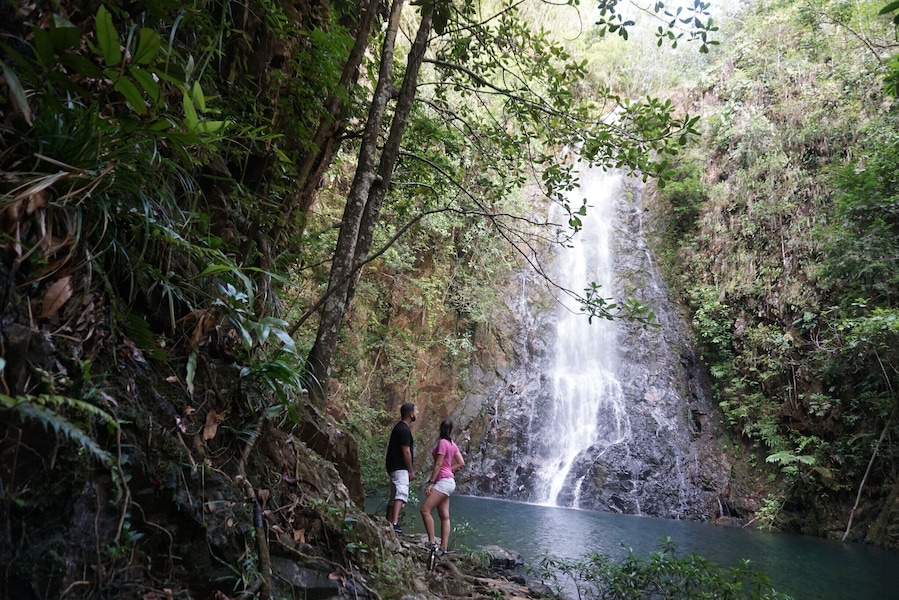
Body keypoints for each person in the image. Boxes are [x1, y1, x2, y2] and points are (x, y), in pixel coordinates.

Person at [420, 419, 465, 554]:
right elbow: (461, 462)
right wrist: (450, 470)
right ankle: (443, 548)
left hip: (443, 481)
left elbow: (438, 464)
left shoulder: (442, 443)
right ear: (451, 430)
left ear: (441, 429)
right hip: (450, 482)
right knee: (444, 516)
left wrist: (431, 482)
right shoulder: (452, 444)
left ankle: (433, 543)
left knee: (425, 510)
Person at [385, 402, 416, 534]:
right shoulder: (404, 429)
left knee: (393, 496)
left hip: (394, 466)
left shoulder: (398, 428)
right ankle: (395, 523)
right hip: (400, 467)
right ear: (411, 414)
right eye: (414, 412)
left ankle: (387, 522)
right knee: (401, 493)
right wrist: (410, 470)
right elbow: (406, 451)